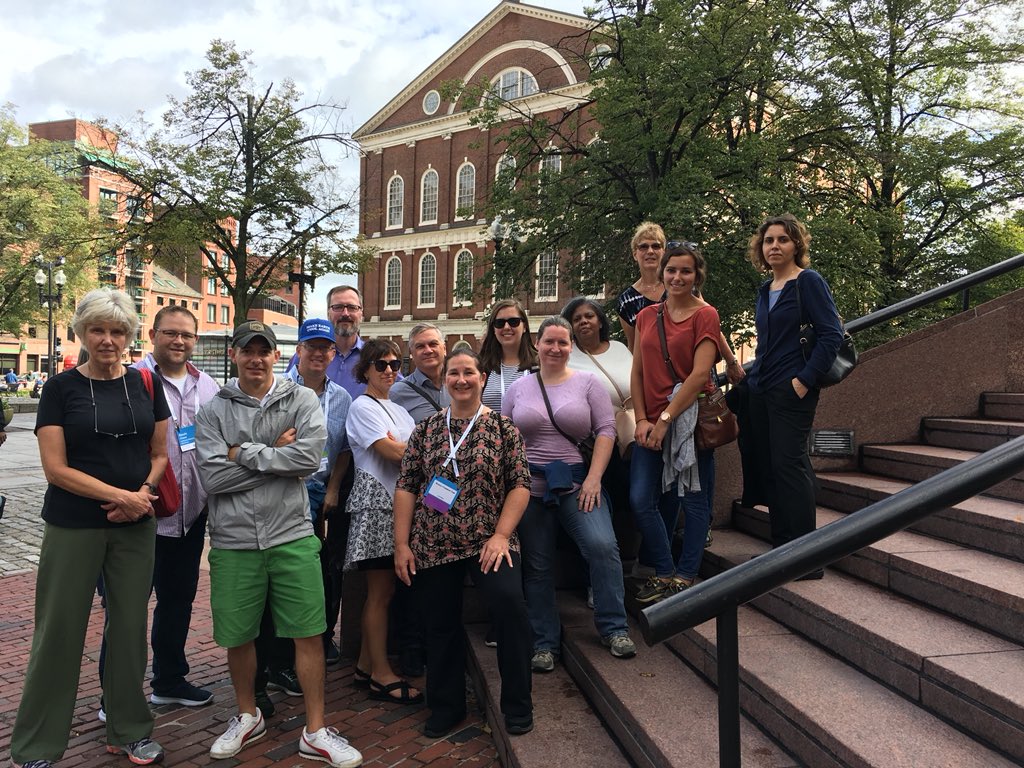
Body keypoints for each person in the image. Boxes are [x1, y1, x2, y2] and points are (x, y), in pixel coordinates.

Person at [10, 288, 170, 768]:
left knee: (129, 629)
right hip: (74, 524)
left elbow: (160, 454)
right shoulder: (61, 389)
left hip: (135, 525)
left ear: (129, 337)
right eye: (98, 329)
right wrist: (119, 497)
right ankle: (37, 744)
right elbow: (55, 469)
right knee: (59, 631)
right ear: (81, 332)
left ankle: (129, 730)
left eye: (118, 331)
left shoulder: (145, 384)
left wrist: (140, 495)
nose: (108, 339)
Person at [195, 321, 362, 767]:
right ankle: (247, 715)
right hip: (234, 540)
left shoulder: (302, 398)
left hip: (291, 532)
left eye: (263, 350)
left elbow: (309, 459)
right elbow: (211, 476)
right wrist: (272, 450)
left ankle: (316, 729)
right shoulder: (213, 409)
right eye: (247, 350)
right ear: (234, 355)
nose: (255, 358)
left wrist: (241, 451)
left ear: (275, 355)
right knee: (238, 635)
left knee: (309, 631)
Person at [394, 348, 534, 738]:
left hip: (490, 539)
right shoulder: (426, 431)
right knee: (438, 625)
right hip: (434, 542)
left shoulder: (505, 429)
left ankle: (518, 703)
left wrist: (502, 535)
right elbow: (406, 487)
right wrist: (402, 545)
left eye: (468, 372)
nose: (461, 379)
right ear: (445, 381)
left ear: (482, 378)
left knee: (510, 607)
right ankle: (446, 706)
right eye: (453, 373)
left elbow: (521, 485)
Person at [504, 316, 637, 671]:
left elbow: (607, 430)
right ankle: (544, 642)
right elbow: (505, 438)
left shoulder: (588, 383)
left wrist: (595, 478)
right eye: (550, 341)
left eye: (564, 343)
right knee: (537, 563)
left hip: (579, 484)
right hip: (530, 488)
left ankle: (614, 627)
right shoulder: (519, 388)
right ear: (538, 344)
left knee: (602, 546)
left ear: (571, 347)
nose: (556, 348)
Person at [744, 214, 843, 575]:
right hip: (763, 388)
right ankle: (780, 553)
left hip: (793, 390)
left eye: (782, 240)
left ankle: (805, 560)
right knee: (771, 467)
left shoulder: (808, 282)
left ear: (796, 245)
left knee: (790, 465)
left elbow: (832, 335)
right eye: (768, 240)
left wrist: (804, 380)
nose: (774, 246)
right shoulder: (764, 289)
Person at [136, 305, 221, 708]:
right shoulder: (133, 380)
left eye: (186, 335)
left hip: (190, 515)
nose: (179, 341)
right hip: (142, 514)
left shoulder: (208, 386)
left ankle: (169, 680)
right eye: (170, 333)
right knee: (128, 606)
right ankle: (115, 691)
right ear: (153, 334)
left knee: (177, 600)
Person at [630, 242, 721, 603]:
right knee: (640, 499)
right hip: (649, 423)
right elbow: (637, 371)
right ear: (662, 272)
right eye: (672, 270)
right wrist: (640, 418)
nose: (677, 277)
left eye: (685, 271)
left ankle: (685, 576)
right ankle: (664, 571)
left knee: (695, 502)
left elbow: (700, 376)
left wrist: (666, 419)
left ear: (697, 275)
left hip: (690, 423)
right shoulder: (646, 316)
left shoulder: (705, 315)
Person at [343, 339, 422, 705]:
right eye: (380, 364)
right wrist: (414, 451)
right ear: (365, 369)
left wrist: (410, 451)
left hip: (397, 506)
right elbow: (390, 452)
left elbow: (408, 453)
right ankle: (380, 675)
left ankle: (364, 666)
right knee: (380, 593)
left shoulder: (399, 410)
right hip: (377, 505)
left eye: (395, 362)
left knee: (384, 592)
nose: (389, 369)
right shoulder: (362, 406)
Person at [287, 317, 353, 664]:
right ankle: (285, 649)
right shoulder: (278, 388)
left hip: (320, 490)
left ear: (332, 353)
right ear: (298, 350)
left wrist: (333, 489)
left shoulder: (341, 398)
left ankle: (322, 636)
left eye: (324, 348)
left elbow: (342, 448)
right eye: (310, 347)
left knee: (323, 567)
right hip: (285, 489)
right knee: (290, 569)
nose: (317, 353)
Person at [387, 322, 450, 677]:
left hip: (458, 492)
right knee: (411, 569)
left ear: (444, 347)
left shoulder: (459, 380)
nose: (427, 351)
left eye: (432, 344)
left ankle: (436, 640)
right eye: (420, 347)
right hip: (420, 489)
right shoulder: (399, 393)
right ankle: (411, 646)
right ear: (411, 354)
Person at [562, 297, 638, 573]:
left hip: (631, 436)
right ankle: (597, 572)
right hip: (593, 444)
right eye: (577, 318)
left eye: (589, 316)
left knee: (635, 499)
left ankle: (631, 560)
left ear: (600, 321)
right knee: (598, 507)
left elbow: (638, 380)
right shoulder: (568, 355)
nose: (584, 321)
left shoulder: (619, 348)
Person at [480, 299, 537, 411]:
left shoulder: (539, 365)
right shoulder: (482, 366)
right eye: (500, 323)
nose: (506, 327)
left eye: (513, 322)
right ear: (493, 329)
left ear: (524, 326)